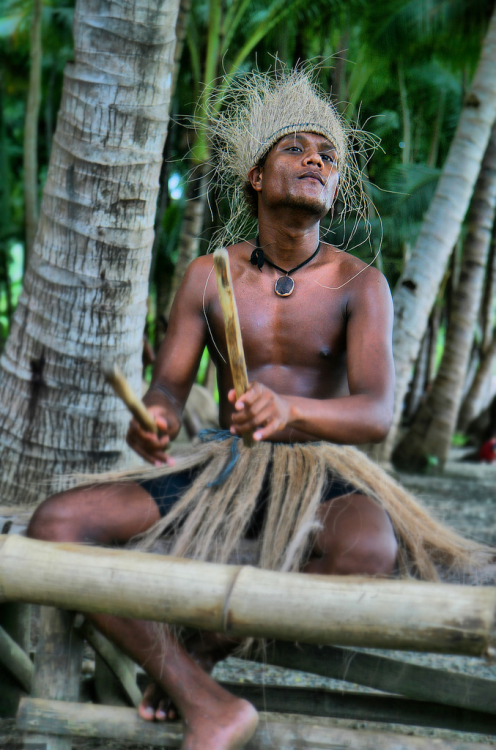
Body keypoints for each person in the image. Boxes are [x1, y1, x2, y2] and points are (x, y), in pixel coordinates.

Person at [26, 68, 490, 750]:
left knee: (366, 547)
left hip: (323, 468)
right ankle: (205, 699)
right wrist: (151, 419)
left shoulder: (360, 284)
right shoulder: (207, 277)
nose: (315, 161)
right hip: (226, 465)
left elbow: (376, 414)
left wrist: (290, 408)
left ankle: (206, 652)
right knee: (58, 521)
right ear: (254, 175)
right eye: (295, 149)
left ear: (336, 188)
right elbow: (168, 391)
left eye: (328, 157)